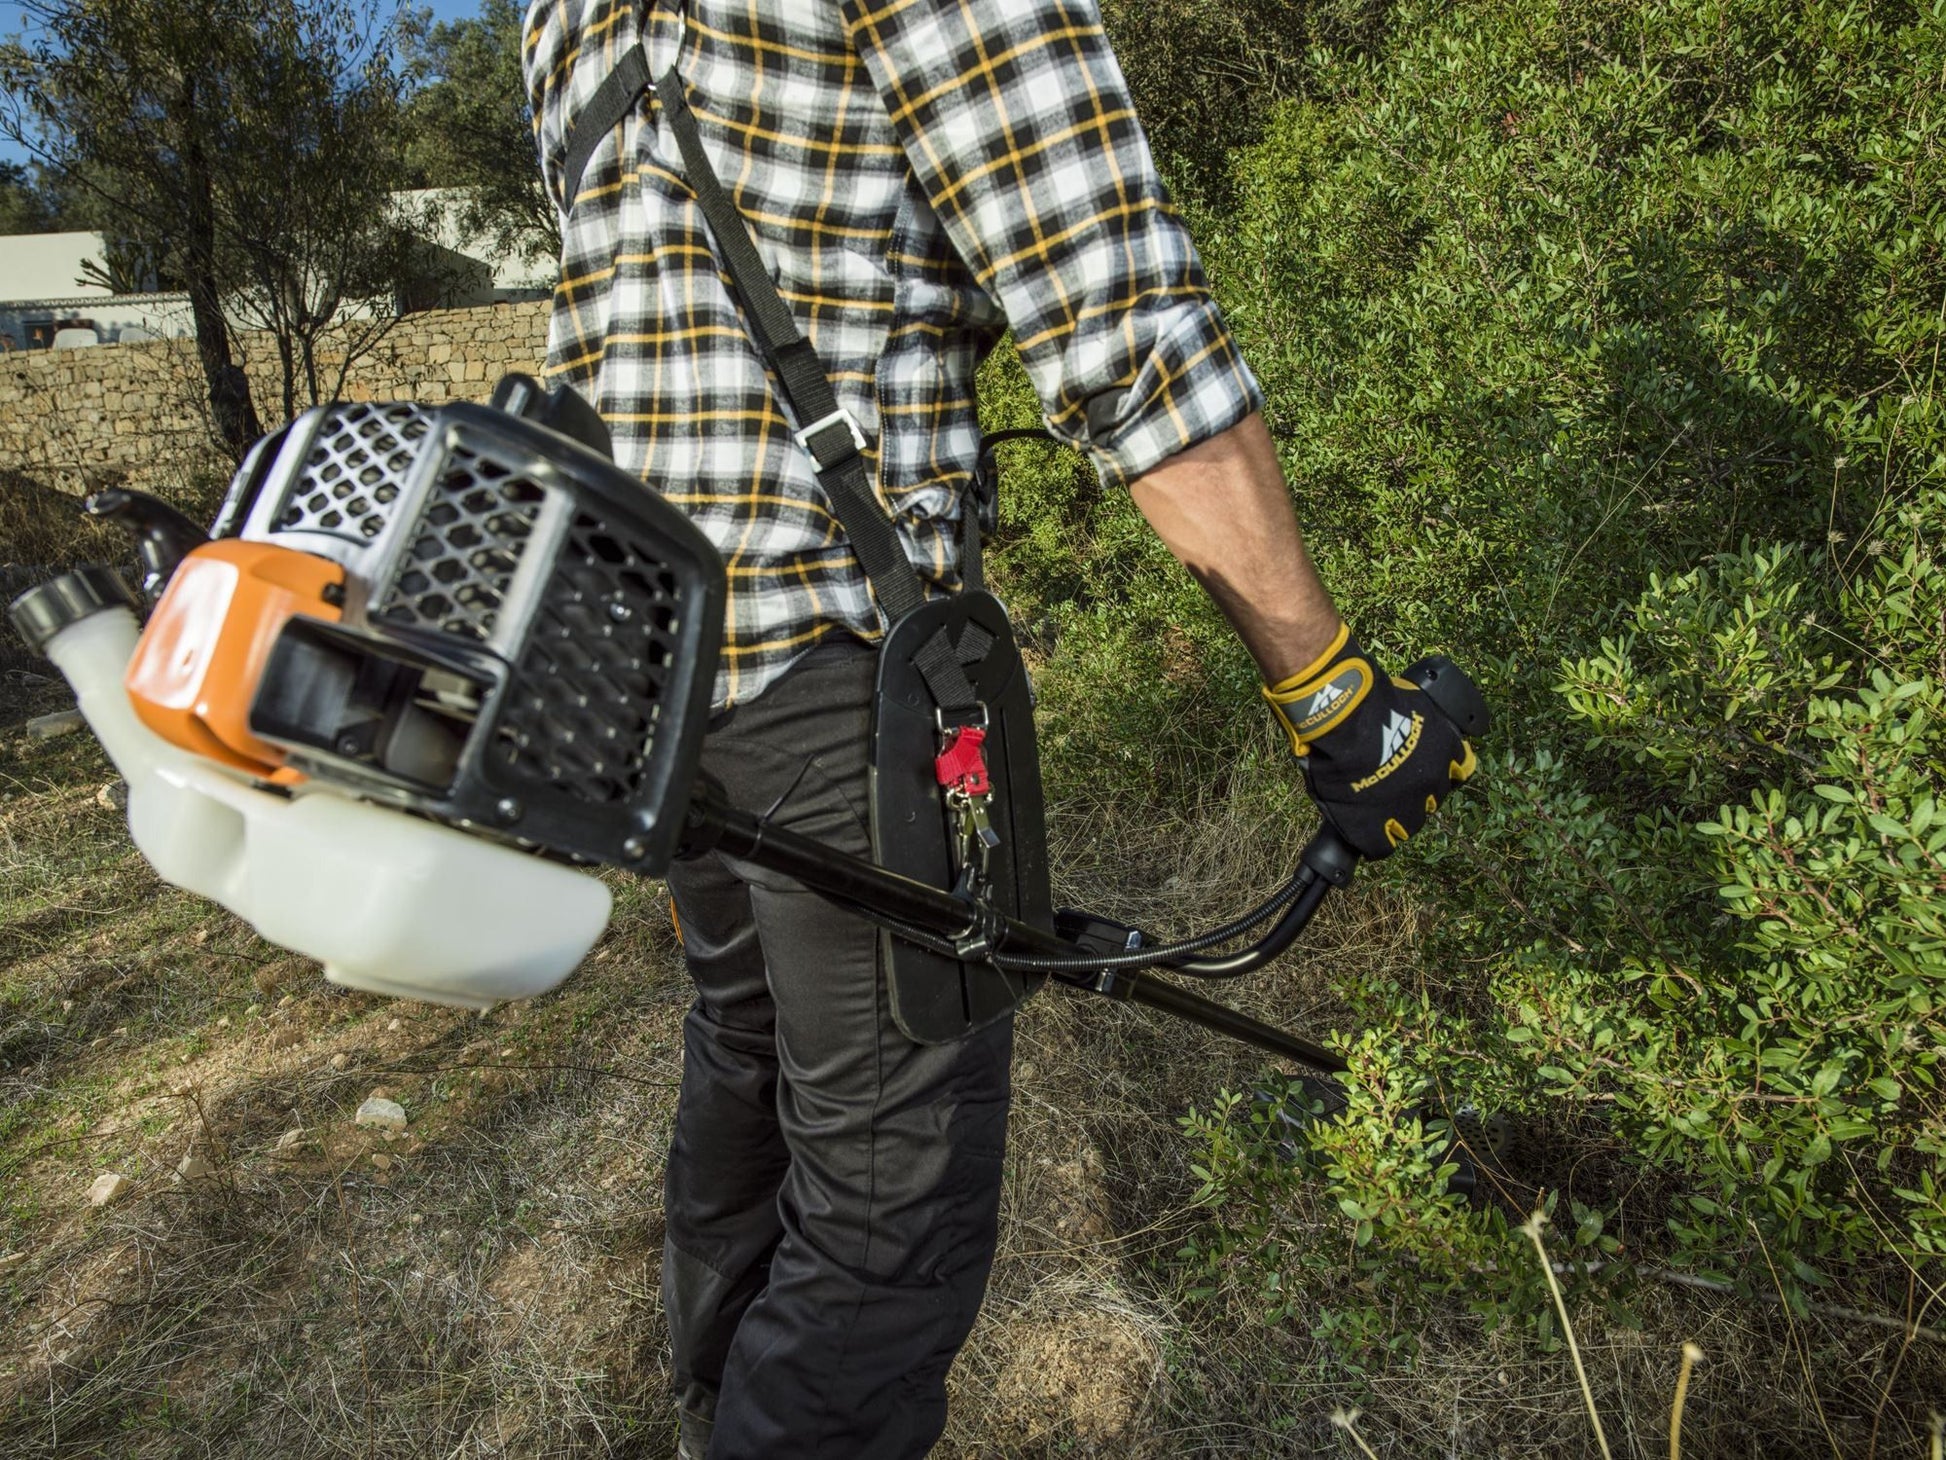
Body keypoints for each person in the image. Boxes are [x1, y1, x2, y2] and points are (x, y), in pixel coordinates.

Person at [523, 3, 1475, 1456]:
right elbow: (1122, 330)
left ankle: (717, 1414)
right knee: (883, 1214)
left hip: (657, 664)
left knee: (751, 1055)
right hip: (833, 658)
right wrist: (1331, 691)